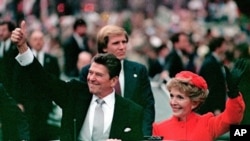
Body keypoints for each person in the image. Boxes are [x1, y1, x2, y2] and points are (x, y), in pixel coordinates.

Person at [11, 20, 144, 141]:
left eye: (98, 75)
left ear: (113, 81)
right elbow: (44, 80)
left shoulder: (132, 111)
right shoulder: (74, 94)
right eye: (90, 73)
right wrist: (23, 48)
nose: (91, 78)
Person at [79, 24, 155, 136]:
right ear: (104, 47)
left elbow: (148, 106)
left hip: (131, 134)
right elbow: (83, 105)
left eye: (124, 42)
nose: (122, 47)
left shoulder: (139, 70)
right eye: (116, 43)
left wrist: (144, 135)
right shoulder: (88, 71)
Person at [152, 58, 247, 140]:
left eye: (180, 97)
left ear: (195, 103)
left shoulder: (207, 124)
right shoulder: (157, 129)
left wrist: (233, 94)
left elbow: (231, 119)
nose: (173, 102)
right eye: (172, 96)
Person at [24, 29, 61, 140]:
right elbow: (19, 80)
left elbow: (56, 80)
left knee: (45, 131)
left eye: (40, 39)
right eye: (35, 39)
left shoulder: (52, 60)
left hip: (46, 102)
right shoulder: (24, 59)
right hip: (29, 102)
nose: (38, 42)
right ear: (30, 41)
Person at [197, 36, 229, 115]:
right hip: (211, 107)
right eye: (224, 45)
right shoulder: (211, 63)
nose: (226, 47)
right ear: (218, 47)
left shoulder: (215, 61)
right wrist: (216, 107)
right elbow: (212, 86)